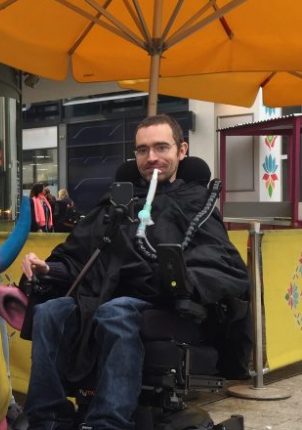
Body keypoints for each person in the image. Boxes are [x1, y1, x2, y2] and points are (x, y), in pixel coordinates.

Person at [20, 114, 250, 430]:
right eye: (142, 150)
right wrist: (50, 268)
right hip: (104, 299)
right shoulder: (116, 204)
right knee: (50, 312)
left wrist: (183, 278)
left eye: (161, 147)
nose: (151, 157)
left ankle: (108, 422)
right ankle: (47, 418)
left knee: (116, 313)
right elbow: (82, 255)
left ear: (182, 150)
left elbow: (221, 265)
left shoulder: (197, 203)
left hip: (168, 305)